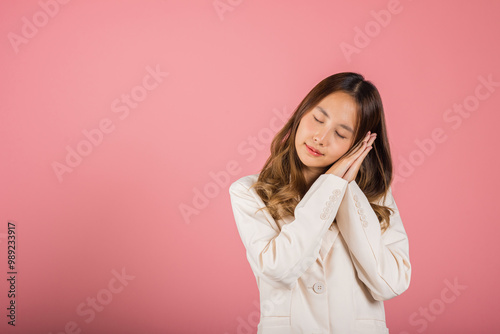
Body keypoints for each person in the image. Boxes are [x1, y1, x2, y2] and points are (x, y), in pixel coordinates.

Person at [228, 72, 411, 334]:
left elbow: (389, 283)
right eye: (317, 119)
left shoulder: (376, 197)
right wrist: (329, 187)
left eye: (340, 133)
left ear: (359, 145)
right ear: (302, 113)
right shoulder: (250, 191)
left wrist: (343, 188)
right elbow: (279, 270)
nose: (321, 138)